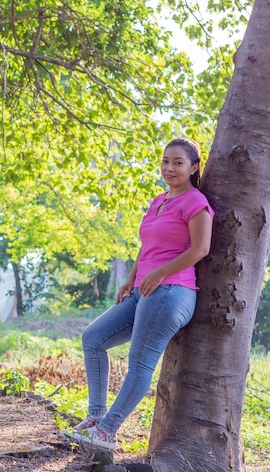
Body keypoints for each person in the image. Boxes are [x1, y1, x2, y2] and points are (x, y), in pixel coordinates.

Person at [61, 137, 214, 450]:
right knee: (93, 338)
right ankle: (95, 417)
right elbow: (148, 246)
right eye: (165, 161)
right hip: (144, 289)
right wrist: (131, 278)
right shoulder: (159, 200)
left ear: (194, 167)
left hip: (172, 290)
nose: (169, 168)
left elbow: (201, 248)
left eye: (178, 162)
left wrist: (160, 273)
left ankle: (106, 431)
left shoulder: (196, 202)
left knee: (140, 363)